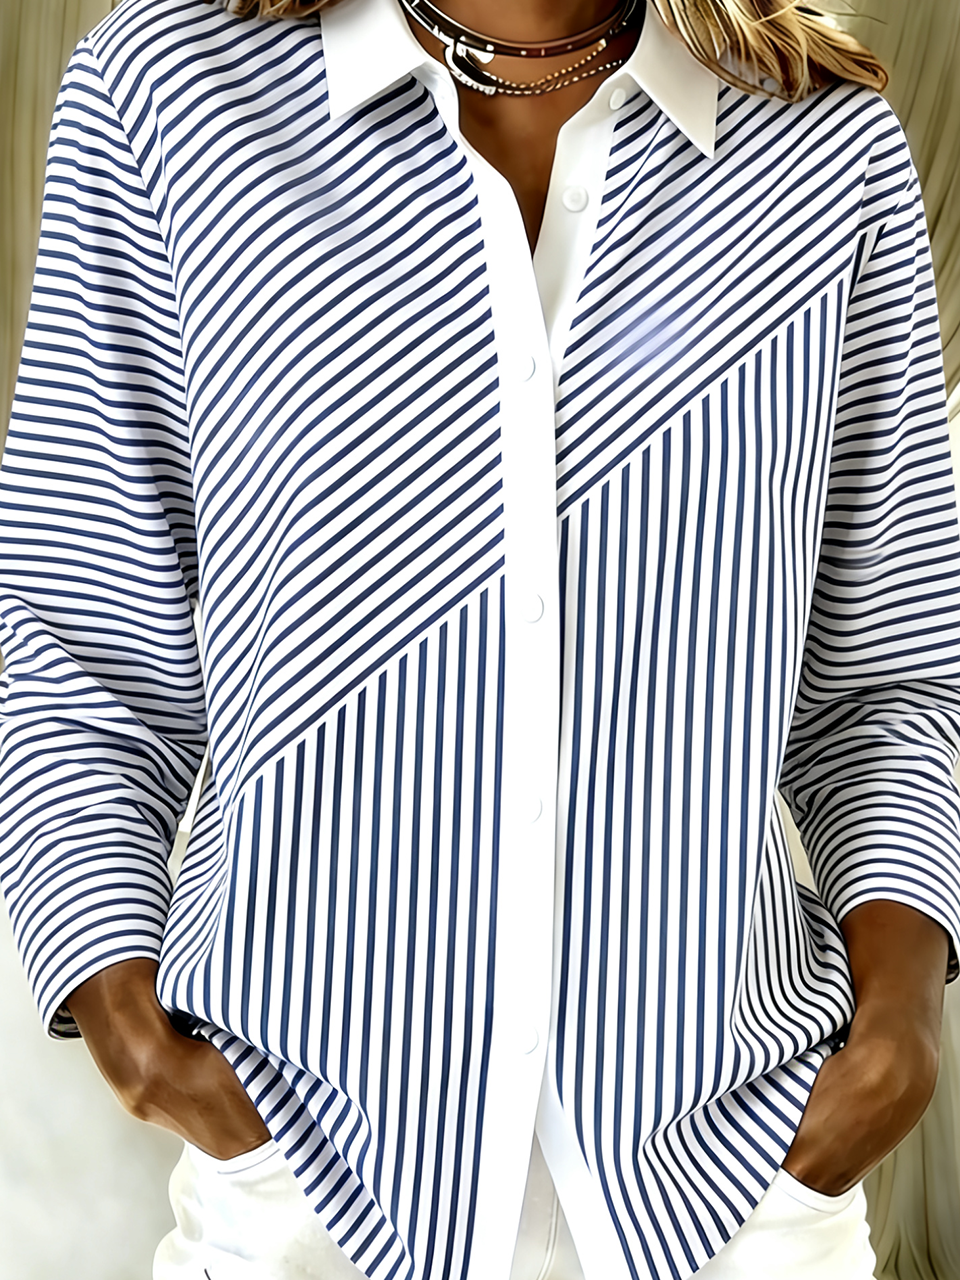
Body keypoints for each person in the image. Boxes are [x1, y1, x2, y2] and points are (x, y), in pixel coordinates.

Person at [1, 0, 959, 1276]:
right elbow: (78, 643)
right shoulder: (168, 98)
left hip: (738, 1183)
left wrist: (900, 1029)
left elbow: (887, 682)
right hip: (306, 1185)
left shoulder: (825, 146)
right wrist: (124, 1015)